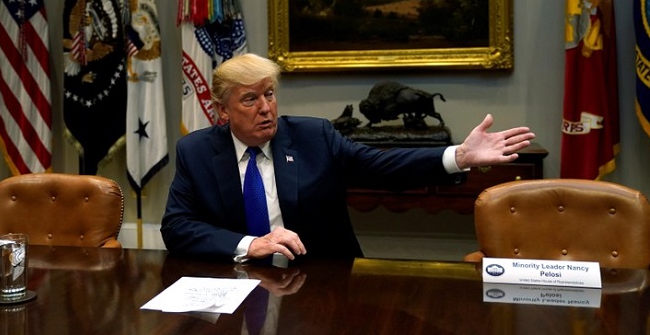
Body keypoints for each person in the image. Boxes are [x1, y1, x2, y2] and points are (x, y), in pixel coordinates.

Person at [161, 53, 535, 263]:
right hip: (235, 284)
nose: (266, 108)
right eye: (250, 99)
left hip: (319, 278)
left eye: (270, 95)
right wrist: (248, 244)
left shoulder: (313, 137)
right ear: (221, 111)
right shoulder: (196, 151)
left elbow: (382, 166)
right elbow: (177, 227)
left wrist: (460, 156)